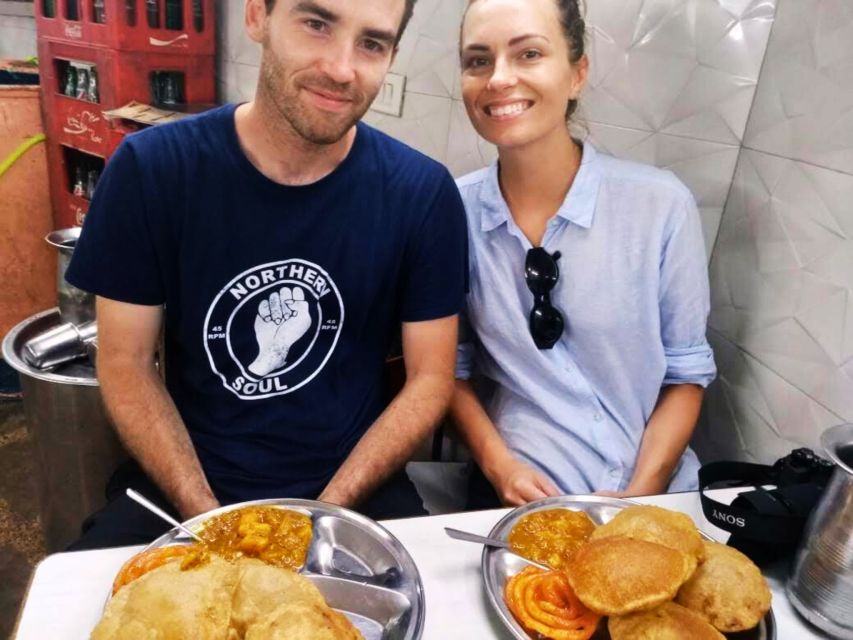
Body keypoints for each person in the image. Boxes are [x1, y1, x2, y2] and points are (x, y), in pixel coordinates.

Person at [65, 0, 467, 549]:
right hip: (183, 485)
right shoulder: (152, 170)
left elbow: (430, 379)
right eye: (317, 24)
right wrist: (208, 517)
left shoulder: (422, 194)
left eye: (371, 44)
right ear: (257, 17)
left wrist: (325, 514)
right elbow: (125, 361)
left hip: (355, 489)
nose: (342, 68)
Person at [451, 0, 716, 509]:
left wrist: (639, 498)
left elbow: (685, 376)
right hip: (519, 496)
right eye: (478, 60)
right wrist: (499, 465)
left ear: (577, 73)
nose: (499, 79)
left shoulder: (661, 205)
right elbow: (448, 373)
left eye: (528, 53)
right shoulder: (451, 212)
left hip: (655, 493)